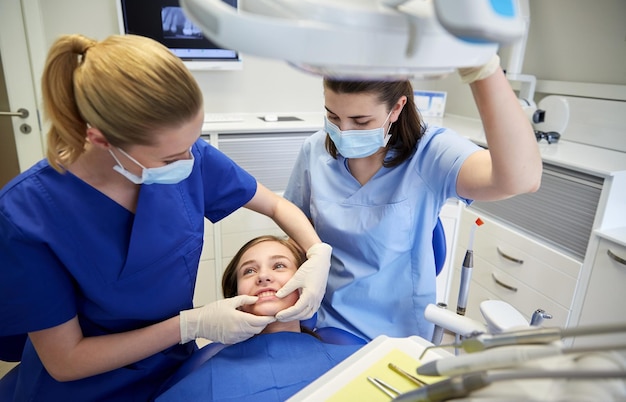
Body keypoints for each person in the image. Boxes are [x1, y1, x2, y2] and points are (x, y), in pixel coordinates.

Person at [0, 34, 331, 401]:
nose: (189, 163)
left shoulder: (186, 154)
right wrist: (193, 324)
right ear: (100, 139)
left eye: (193, 143)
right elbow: (65, 362)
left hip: (175, 370)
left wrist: (317, 253)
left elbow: (275, 205)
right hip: (85, 387)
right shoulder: (28, 215)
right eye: (171, 159)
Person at [284, 55, 543, 342]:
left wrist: (483, 70)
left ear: (396, 109)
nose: (342, 132)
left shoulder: (430, 152)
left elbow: (521, 179)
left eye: (360, 121)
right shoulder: (314, 150)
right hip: (320, 319)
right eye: (333, 116)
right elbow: (295, 228)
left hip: (395, 332)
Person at [155, 235, 364, 402]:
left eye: (279, 266)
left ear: (310, 284)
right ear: (234, 295)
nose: (263, 276)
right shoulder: (204, 369)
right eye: (249, 271)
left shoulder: (351, 354)